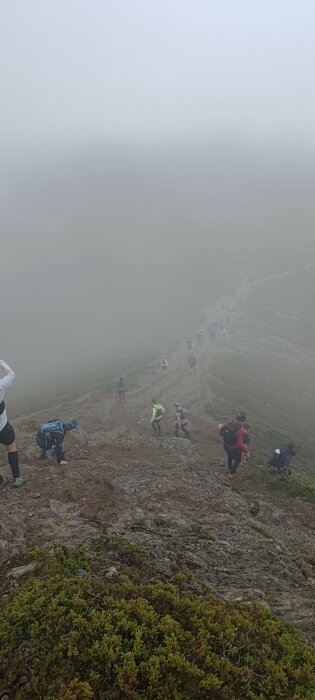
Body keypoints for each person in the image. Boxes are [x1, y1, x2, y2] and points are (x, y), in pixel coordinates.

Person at [0, 359, 28, 487]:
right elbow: (11, 374)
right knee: (11, 447)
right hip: (3, 426)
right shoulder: (0, 385)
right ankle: (17, 478)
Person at [219, 411, 249, 479]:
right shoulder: (239, 430)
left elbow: (221, 428)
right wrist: (246, 451)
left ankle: (229, 469)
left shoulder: (230, 423)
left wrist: (221, 435)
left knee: (230, 456)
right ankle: (231, 473)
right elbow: (240, 445)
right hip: (233, 448)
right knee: (238, 459)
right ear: (244, 421)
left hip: (226, 445)